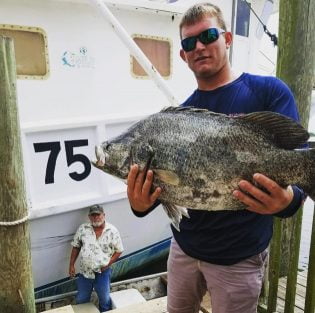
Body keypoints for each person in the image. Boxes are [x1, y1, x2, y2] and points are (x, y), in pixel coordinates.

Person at [126, 3, 305, 313]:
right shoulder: (179, 117)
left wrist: (286, 202)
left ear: (228, 39)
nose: (199, 46)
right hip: (183, 249)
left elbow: (299, 166)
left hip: (239, 257)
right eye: (188, 42)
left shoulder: (268, 92)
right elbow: (165, 189)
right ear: (183, 55)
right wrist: (140, 206)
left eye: (208, 35)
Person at [69, 204, 123, 312]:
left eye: (98, 215)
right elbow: (76, 247)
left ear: (104, 215)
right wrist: (71, 265)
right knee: (81, 300)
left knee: (105, 300)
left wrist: (108, 264)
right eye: (93, 215)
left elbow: (119, 250)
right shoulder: (83, 229)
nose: (96, 218)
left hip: (103, 273)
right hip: (85, 273)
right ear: (89, 217)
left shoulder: (112, 231)